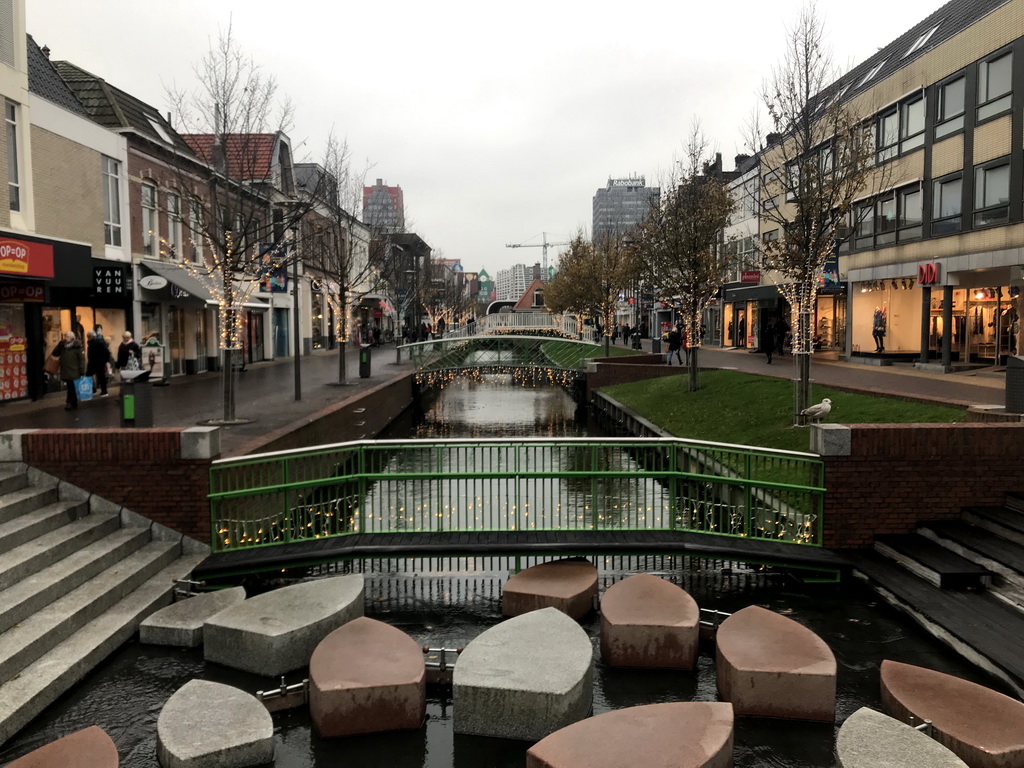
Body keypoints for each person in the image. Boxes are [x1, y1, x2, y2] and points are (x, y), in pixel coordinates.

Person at [52, 331, 85, 410]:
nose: (65, 338)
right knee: (71, 387)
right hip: (66, 370)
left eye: (67, 337)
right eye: (65, 336)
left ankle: (69, 403)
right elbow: (55, 353)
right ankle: (73, 402)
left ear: (72, 338)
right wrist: (59, 345)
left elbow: (81, 360)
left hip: (74, 370)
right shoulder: (63, 346)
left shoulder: (77, 347)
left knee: (71, 387)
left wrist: (82, 371)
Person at [86, 330, 111, 396]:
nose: (88, 338)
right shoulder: (91, 342)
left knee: (101, 376)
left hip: (99, 362)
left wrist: (105, 361)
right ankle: (94, 390)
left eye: (89, 336)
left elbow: (106, 352)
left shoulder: (99, 342)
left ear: (93, 336)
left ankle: (104, 391)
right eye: (88, 336)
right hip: (93, 362)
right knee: (90, 375)